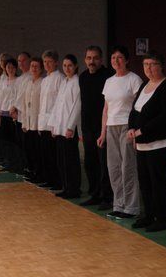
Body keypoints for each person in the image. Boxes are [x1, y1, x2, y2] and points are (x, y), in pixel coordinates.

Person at [128, 51, 166, 232]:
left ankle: (161, 218)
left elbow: (165, 116)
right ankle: (148, 214)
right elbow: (134, 111)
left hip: (161, 142)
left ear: (161, 66)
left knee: (159, 181)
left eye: (153, 64)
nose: (149, 68)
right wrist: (131, 129)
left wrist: (142, 130)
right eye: (146, 64)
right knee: (145, 180)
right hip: (143, 143)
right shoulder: (145, 85)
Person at [98, 46, 142, 219]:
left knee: (128, 167)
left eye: (120, 58)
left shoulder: (134, 79)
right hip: (111, 127)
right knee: (114, 168)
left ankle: (131, 207)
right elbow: (106, 109)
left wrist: (135, 131)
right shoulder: (109, 81)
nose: (116, 61)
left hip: (127, 126)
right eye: (113, 58)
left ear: (127, 60)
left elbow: (139, 107)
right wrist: (103, 133)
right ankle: (119, 204)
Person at [78, 46, 114, 210]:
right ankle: (94, 193)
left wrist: (104, 128)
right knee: (90, 162)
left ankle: (107, 197)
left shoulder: (108, 77)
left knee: (104, 163)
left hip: (102, 126)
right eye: (89, 58)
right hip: (87, 126)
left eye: (95, 58)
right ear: (85, 60)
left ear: (101, 59)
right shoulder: (83, 77)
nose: (92, 61)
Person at [48, 54, 82, 199]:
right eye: (65, 66)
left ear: (75, 66)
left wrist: (70, 126)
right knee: (61, 159)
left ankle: (74, 189)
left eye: (70, 65)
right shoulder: (64, 82)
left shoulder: (77, 82)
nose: (67, 68)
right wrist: (54, 125)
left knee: (71, 160)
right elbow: (57, 105)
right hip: (60, 126)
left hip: (69, 128)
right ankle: (65, 186)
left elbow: (77, 106)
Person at [36, 50, 63, 187]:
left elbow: (58, 103)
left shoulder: (60, 78)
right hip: (43, 122)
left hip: (52, 123)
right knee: (45, 154)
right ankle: (48, 178)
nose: (47, 64)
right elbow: (42, 103)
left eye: (49, 62)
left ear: (56, 62)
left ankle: (56, 181)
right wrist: (39, 124)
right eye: (45, 62)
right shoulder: (45, 80)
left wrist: (54, 123)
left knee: (53, 155)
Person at [21, 57, 44, 182]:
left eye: (36, 66)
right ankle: (30, 171)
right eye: (32, 66)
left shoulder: (42, 83)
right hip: (28, 122)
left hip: (37, 123)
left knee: (37, 151)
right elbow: (24, 104)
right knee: (29, 149)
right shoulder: (28, 83)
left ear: (41, 69)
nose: (34, 68)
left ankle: (38, 173)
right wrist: (24, 121)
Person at [0, 58, 19, 171]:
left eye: (12, 67)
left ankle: (14, 162)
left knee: (12, 140)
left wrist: (14, 110)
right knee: (4, 140)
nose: (10, 69)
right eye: (8, 67)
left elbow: (17, 98)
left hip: (12, 115)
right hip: (3, 114)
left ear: (16, 68)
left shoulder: (18, 81)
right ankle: (7, 161)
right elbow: (0, 98)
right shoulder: (4, 81)